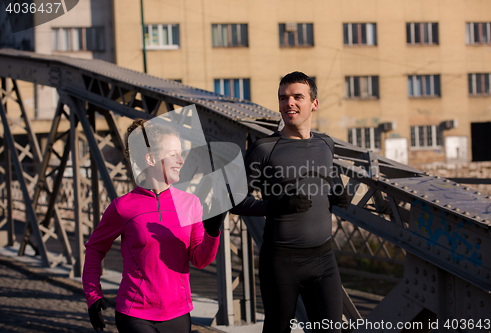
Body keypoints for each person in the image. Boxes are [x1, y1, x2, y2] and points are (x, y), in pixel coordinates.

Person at [231, 71, 349, 333]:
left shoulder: (326, 144)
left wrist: (340, 196)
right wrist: (275, 206)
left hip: (323, 258)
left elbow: (333, 183)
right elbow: (236, 201)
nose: (289, 103)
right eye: (283, 98)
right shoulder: (265, 148)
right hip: (281, 262)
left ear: (314, 104)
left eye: (297, 96)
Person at [82, 118, 223, 333]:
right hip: (134, 313)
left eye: (181, 153)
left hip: (178, 313)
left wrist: (212, 233)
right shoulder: (122, 207)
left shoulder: (191, 204)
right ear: (150, 158)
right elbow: (95, 249)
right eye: (174, 154)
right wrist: (93, 295)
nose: (181, 160)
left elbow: (200, 260)